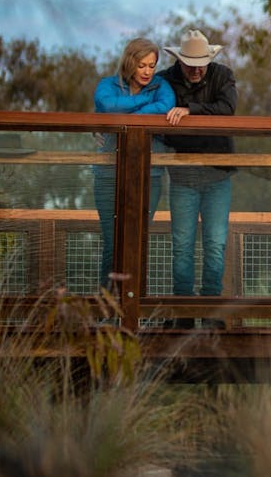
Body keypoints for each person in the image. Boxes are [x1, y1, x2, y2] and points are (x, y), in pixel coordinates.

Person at [93, 38, 176, 292]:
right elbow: (107, 105)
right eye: (142, 65)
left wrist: (125, 116)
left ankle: (134, 309)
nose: (148, 72)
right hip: (109, 173)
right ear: (130, 62)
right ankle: (106, 311)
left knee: (137, 240)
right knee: (113, 241)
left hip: (147, 174)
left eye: (152, 66)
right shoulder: (108, 85)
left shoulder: (161, 86)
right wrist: (144, 107)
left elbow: (166, 106)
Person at [161, 29, 238, 296]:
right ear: (179, 61)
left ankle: (210, 310)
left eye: (201, 65)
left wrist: (189, 110)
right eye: (190, 65)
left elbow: (227, 109)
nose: (196, 71)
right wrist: (103, 124)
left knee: (215, 244)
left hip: (218, 175)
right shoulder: (164, 81)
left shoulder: (223, 75)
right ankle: (182, 310)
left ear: (209, 60)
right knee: (182, 245)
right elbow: (143, 104)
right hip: (182, 176)